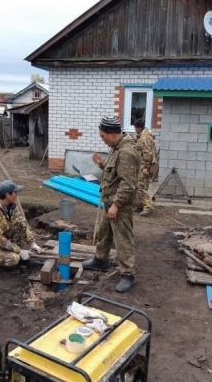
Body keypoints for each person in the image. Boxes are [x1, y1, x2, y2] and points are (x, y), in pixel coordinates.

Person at [82, 116, 140, 293]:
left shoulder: (126, 152)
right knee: (104, 232)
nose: (102, 139)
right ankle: (101, 260)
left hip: (120, 205)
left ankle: (128, 274)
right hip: (110, 200)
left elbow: (128, 184)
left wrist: (116, 205)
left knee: (123, 239)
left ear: (113, 134)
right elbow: (113, 172)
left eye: (103, 136)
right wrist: (101, 164)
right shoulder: (116, 148)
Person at [134, 118, 157, 216]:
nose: (135, 130)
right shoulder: (146, 136)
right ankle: (140, 205)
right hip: (145, 165)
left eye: (135, 128)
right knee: (141, 186)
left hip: (144, 166)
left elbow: (147, 154)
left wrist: (146, 167)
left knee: (141, 186)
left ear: (139, 128)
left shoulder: (144, 138)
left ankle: (148, 207)